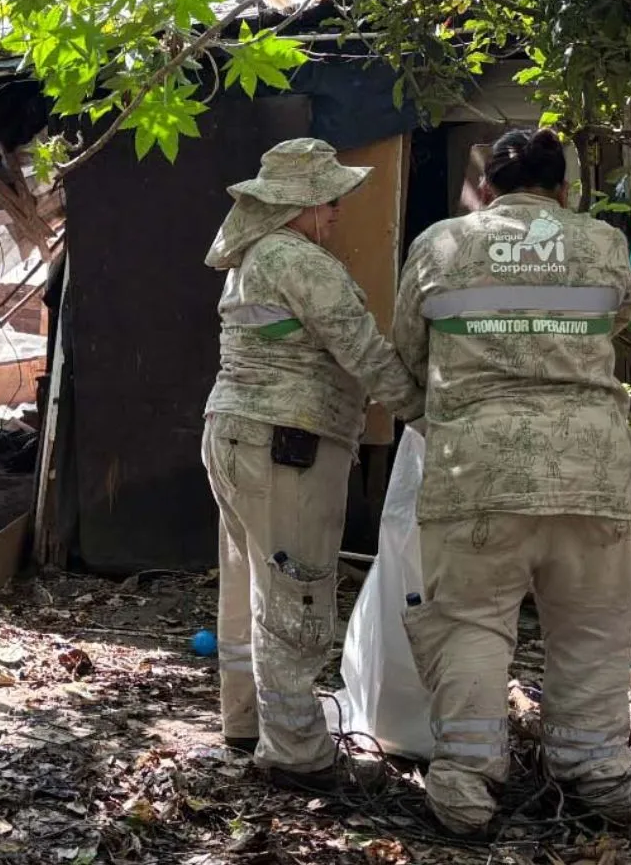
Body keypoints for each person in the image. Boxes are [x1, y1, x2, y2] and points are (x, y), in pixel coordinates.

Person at [391, 127, 631, 837]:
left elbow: (410, 349)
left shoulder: (441, 244)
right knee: (592, 627)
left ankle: (466, 791)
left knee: (470, 625)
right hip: (590, 474)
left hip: (477, 472)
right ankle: (596, 779)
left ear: (489, 190)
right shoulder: (602, 243)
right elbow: (619, 318)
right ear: (564, 189)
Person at [200, 138, 425, 792]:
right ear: (299, 203)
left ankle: (246, 722)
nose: (335, 214)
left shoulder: (250, 259)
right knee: (296, 593)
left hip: (236, 434)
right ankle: (297, 752)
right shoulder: (299, 261)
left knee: (248, 588)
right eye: (329, 200)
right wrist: (423, 411)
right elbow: (361, 349)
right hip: (289, 444)